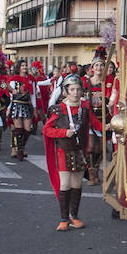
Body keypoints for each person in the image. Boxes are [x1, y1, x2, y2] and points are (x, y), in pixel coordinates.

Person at [44, 75, 92, 231]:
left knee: (77, 184)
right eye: (72, 89)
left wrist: (107, 126)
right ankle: (64, 219)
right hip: (63, 151)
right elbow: (47, 130)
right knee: (65, 184)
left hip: (78, 151)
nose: (76, 92)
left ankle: (74, 216)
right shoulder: (59, 109)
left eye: (78, 89)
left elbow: (94, 123)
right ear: (65, 92)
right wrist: (64, 132)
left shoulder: (84, 107)